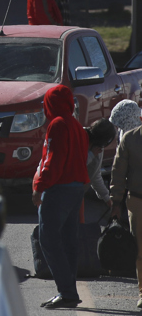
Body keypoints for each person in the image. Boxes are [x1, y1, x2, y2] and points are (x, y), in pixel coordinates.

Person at [33, 84, 90, 309]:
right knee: (68, 241)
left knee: (48, 239)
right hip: (76, 188)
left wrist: (39, 186)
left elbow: (53, 161)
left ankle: (66, 291)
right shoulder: (76, 125)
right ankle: (69, 290)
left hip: (59, 188)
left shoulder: (57, 124)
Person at [109, 99, 142, 309]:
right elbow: (118, 173)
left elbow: (118, 173)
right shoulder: (129, 139)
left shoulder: (129, 139)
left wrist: (115, 202)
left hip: (136, 201)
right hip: (136, 200)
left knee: (141, 249)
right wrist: (116, 199)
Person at [86, 119, 117, 210]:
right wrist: (90, 155)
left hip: (76, 192)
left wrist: (106, 197)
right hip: (61, 189)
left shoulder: (98, 149)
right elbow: (73, 165)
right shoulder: (79, 138)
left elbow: (95, 175)